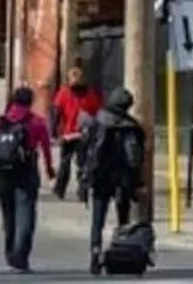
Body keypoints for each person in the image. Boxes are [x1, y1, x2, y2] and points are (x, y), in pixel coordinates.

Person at [0, 85, 57, 273]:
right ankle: (21, 257)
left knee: (8, 215)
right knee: (26, 214)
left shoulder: (0, 122)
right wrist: (51, 173)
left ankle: (10, 255)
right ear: (31, 102)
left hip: (1, 174)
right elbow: (46, 150)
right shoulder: (36, 122)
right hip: (26, 173)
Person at [78, 87, 147, 276]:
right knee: (123, 219)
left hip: (100, 178)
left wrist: (83, 178)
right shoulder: (133, 127)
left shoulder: (96, 122)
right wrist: (138, 183)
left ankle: (95, 252)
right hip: (123, 179)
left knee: (97, 219)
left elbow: (85, 152)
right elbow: (138, 160)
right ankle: (122, 251)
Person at [52, 65, 104, 200]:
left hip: (68, 134)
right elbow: (97, 114)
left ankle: (60, 189)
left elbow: (56, 113)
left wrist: (53, 131)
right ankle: (83, 191)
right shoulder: (91, 94)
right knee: (83, 164)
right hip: (84, 134)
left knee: (65, 163)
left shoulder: (64, 93)